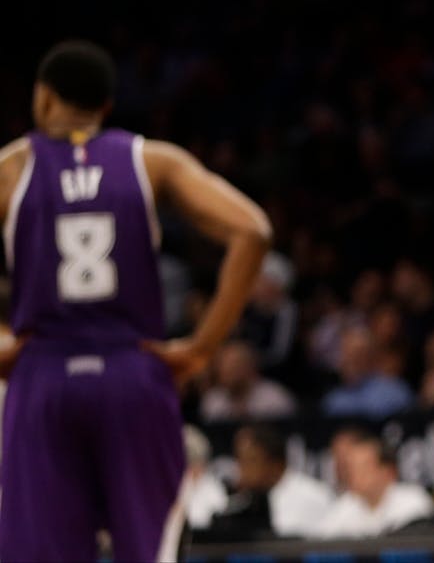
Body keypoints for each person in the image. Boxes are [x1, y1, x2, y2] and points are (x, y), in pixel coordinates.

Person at [0, 38, 272, 562]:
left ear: (43, 98)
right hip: (132, 370)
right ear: (106, 106)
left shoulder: (12, 169)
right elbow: (253, 231)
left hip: (43, 375)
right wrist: (201, 347)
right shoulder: (152, 162)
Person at [312, 432, 434, 537]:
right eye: (351, 468)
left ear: (387, 471)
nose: (354, 475)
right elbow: (319, 544)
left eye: (363, 468)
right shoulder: (345, 506)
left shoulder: (413, 500)